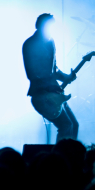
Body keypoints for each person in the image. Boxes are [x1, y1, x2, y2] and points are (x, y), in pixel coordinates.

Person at [22, 13, 78, 142]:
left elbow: (54, 68)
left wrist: (65, 77)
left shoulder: (50, 41)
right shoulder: (30, 44)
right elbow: (31, 73)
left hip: (54, 92)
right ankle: (62, 158)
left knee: (73, 125)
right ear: (39, 26)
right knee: (65, 125)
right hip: (42, 94)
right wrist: (48, 86)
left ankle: (73, 157)